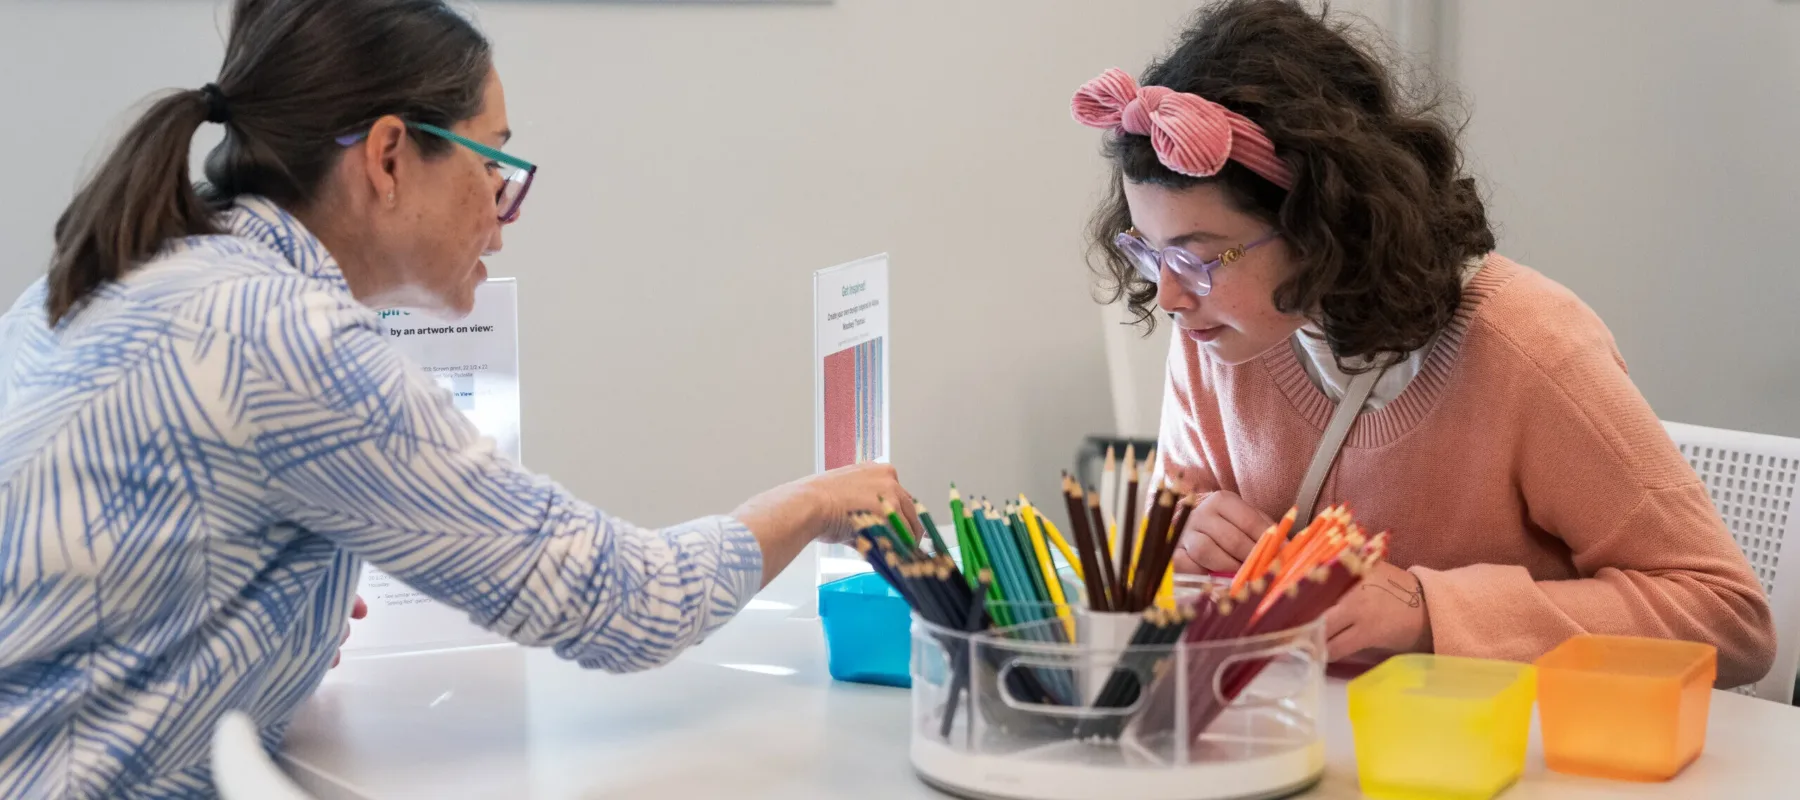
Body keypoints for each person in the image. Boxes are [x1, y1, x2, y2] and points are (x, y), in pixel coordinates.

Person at [0, 1, 916, 795]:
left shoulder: (110, 274)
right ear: (391, 156)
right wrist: (816, 501)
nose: (503, 219)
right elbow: (623, 601)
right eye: (494, 170)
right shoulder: (286, 337)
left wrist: (277, 617)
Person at [1073, 0, 1774, 687]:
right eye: (1151, 253)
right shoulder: (1217, 334)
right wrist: (1182, 539)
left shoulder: (1529, 347)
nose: (1170, 297)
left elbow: (1729, 618)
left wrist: (1426, 612)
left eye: (1199, 257)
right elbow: (1155, 555)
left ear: (1323, 220)